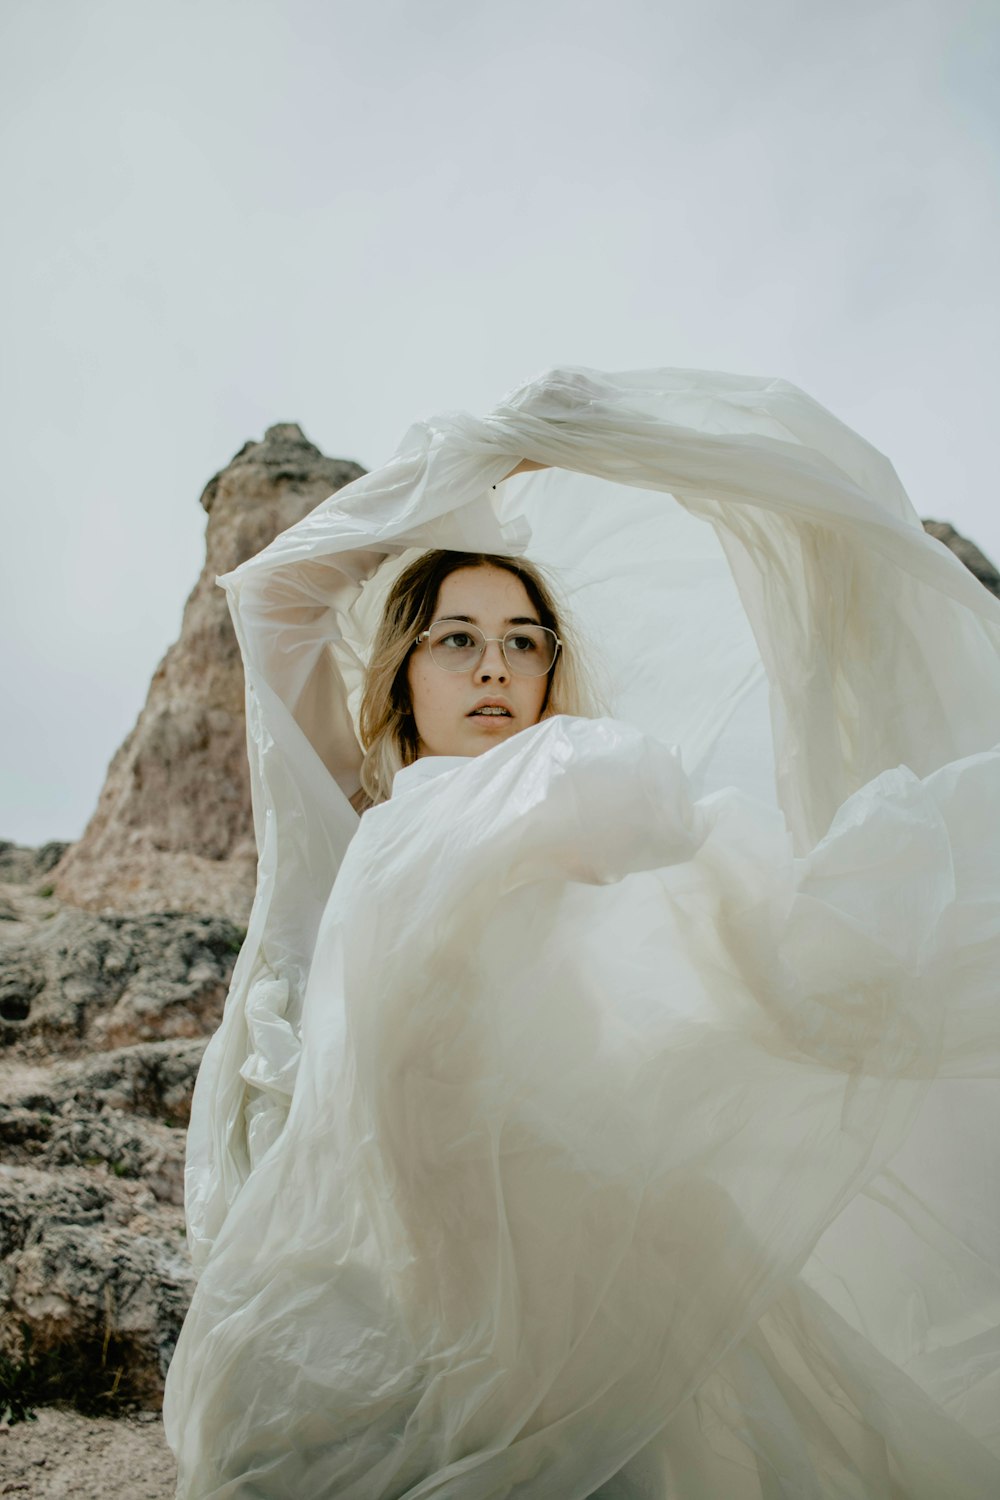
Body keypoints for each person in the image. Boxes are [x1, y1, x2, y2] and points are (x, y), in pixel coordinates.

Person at [164, 366, 1000, 1498]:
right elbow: (270, 595)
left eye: (523, 639)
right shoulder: (371, 807)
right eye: (455, 639)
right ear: (402, 673)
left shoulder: (563, 773)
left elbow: (674, 937)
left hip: (583, 1247)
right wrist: (488, 453)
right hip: (399, 1253)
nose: (496, 665)